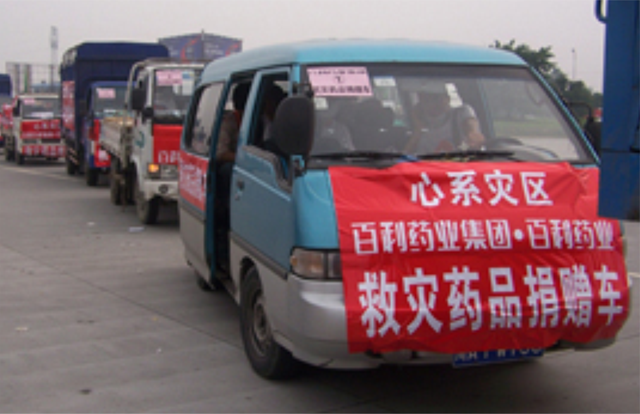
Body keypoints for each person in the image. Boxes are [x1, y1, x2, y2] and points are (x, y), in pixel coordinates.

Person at [404, 82, 485, 154]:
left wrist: (473, 133)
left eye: (436, 98)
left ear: (447, 98)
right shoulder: (422, 130)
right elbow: (404, 158)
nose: (432, 104)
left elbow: (469, 122)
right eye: (426, 100)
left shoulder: (460, 113)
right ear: (420, 103)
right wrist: (418, 130)